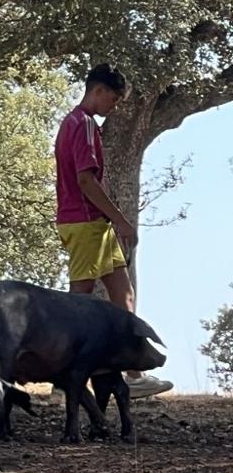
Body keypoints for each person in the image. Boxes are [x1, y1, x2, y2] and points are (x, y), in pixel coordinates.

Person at [54, 63, 172, 398]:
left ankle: (133, 375)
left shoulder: (73, 123)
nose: (114, 107)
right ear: (98, 90)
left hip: (92, 224)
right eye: (114, 99)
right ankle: (65, 379)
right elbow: (85, 180)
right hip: (85, 221)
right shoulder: (84, 125)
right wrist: (120, 218)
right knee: (79, 300)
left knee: (123, 294)